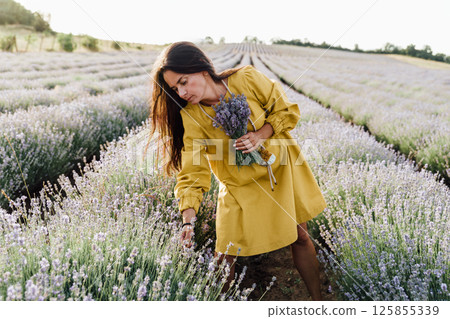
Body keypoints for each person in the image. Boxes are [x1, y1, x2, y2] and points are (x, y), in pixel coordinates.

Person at [149, 41, 327, 300]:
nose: (182, 92)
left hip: (280, 171)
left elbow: (286, 110)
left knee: (300, 236)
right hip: (237, 186)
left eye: (184, 82)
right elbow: (192, 170)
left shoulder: (246, 79)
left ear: (201, 69)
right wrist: (188, 218)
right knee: (224, 253)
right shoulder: (191, 116)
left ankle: (318, 302)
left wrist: (260, 135)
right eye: (175, 88)